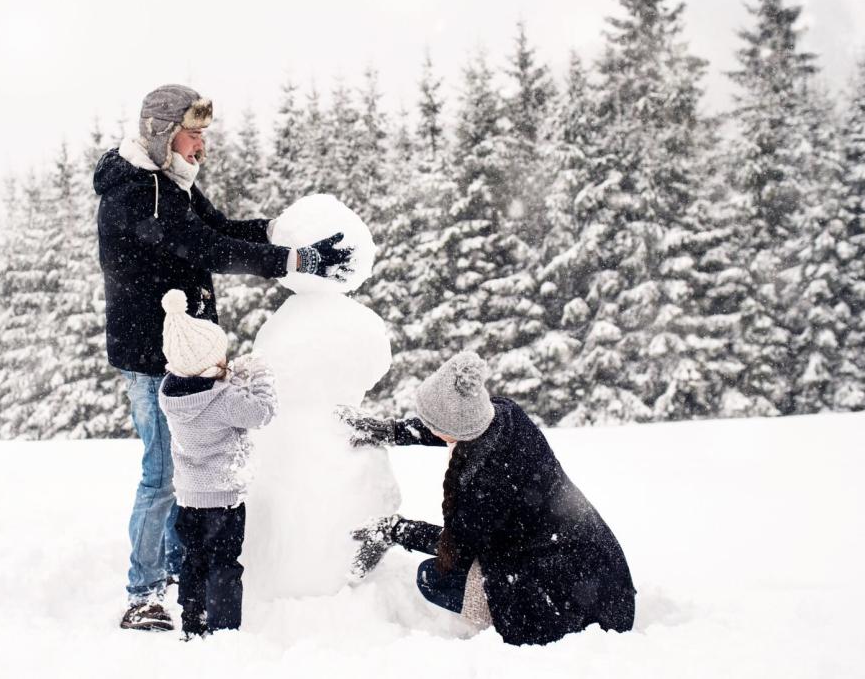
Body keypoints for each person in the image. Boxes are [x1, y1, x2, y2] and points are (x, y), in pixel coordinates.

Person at [95, 84, 353, 631]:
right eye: (193, 136)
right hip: (151, 355)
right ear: (163, 135)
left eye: (204, 136)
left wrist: (279, 234)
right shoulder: (138, 193)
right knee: (164, 472)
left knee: (185, 467)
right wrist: (293, 260)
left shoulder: (171, 185)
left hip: (183, 351)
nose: (201, 148)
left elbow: (218, 230)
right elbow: (207, 249)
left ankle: (171, 566)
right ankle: (143, 591)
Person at [341, 351, 636, 646]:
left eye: (431, 423)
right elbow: (452, 428)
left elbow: (454, 550)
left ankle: (524, 619)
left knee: (433, 578)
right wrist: (391, 431)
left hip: (581, 605)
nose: (428, 427)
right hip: (601, 568)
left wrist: (395, 530)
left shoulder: (485, 487)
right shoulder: (505, 414)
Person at [156, 289, 277, 638]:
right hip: (223, 499)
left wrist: (226, 377)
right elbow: (262, 412)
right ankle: (224, 628)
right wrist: (261, 376)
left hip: (189, 497)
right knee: (224, 563)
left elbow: (207, 390)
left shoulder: (171, 394)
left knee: (194, 560)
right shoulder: (224, 400)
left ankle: (193, 622)